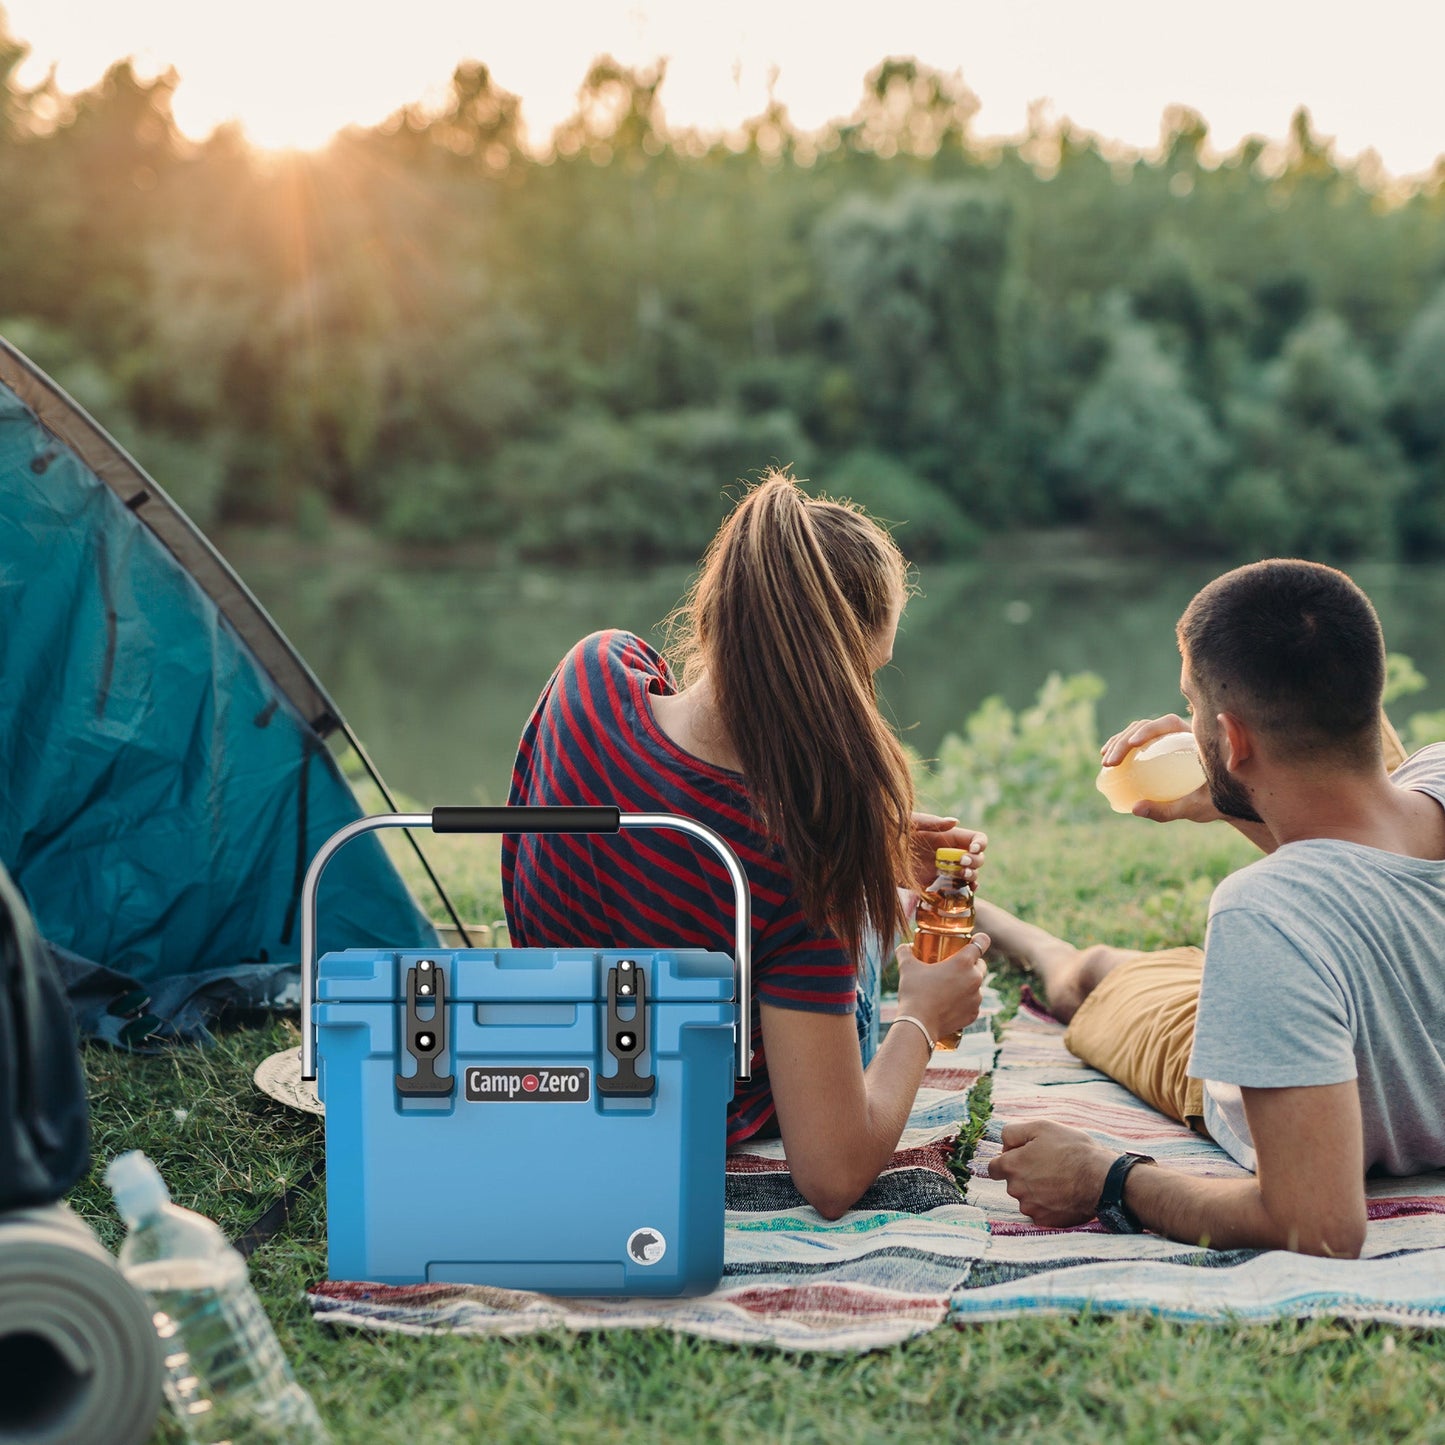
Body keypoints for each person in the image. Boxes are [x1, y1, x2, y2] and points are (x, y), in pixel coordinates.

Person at [502, 471, 991, 1219]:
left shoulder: (592, 673)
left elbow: (674, 801)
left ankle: (884, 903)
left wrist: (877, 847)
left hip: (562, 1052)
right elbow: (830, 1175)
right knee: (867, 932)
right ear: (832, 673)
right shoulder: (801, 850)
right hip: (689, 1108)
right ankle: (890, 922)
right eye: (866, 672)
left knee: (845, 904)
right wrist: (922, 1015)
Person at [981, 558, 1445, 1257]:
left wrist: (1106, 1179)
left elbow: (1317, 1224)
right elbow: (1365, 855)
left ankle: (995, 921)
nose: (1186, 725)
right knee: (1116, 967)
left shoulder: (1263, 915)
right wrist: (1231, 793)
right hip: (1325, 987)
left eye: (1192, 708)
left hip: (1244, 1072)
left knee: (1087, 977)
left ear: (1231, 739)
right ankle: (990, 916)